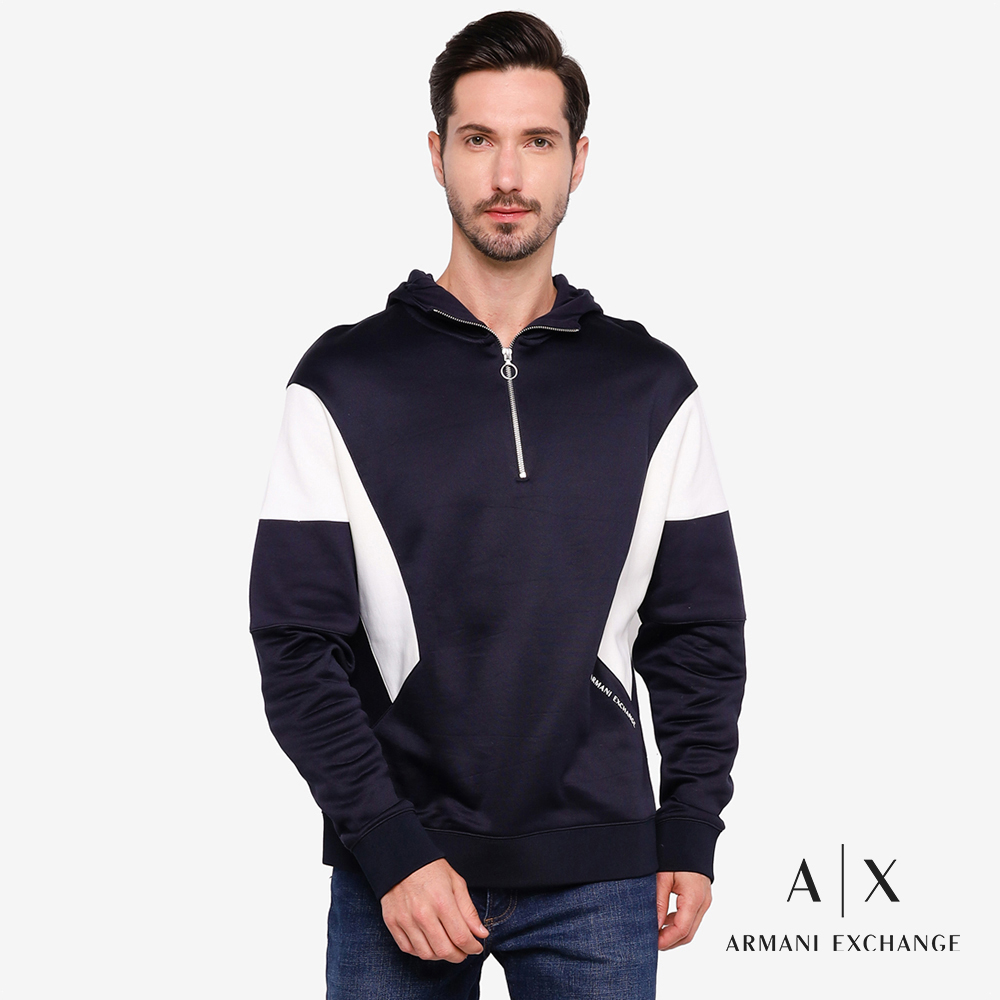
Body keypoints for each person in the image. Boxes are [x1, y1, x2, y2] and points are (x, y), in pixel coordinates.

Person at [249, 11, 746, 998]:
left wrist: (691, 824)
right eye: (479, 139)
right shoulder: (343, 381)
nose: (508, 174)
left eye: (537, 141)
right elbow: (296, 643)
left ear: (578, 160)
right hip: (401, 869)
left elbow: (696, 630)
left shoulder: (650, 386)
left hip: (602, 867)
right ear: (437, 154)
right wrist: (387, 840)